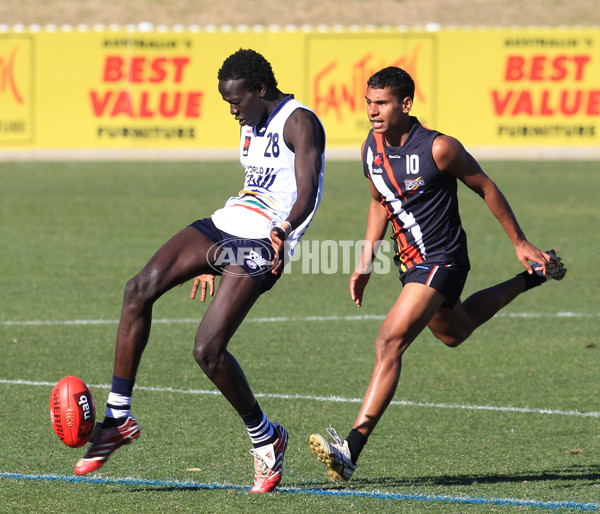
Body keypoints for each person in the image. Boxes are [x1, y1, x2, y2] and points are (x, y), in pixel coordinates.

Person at [74, 48, 326, 494]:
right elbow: (256, 187)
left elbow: (305, 195)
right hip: (227, 224)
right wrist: (208, 258)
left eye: (236, 102)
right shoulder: (251, 123)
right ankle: (116, 417)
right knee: (137, 289)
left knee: (208, 350)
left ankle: (266, 438)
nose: (233, 111)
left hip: (265, 240)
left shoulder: (300, 121)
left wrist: (283, 232)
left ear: (259, 89)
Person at [309, 66, 566, 482]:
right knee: (454, 331)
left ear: (405, 104)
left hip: (443, 258)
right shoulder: (369, 148)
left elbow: (485, 186)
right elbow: (379, 201)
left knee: (389, 340)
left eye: (382, 103)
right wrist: (364, 260)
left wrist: (519, 241)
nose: (372, 111)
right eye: (368, 103)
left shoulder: (439, 148)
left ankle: (349, 449)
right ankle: (532, 278)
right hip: (410, 264)